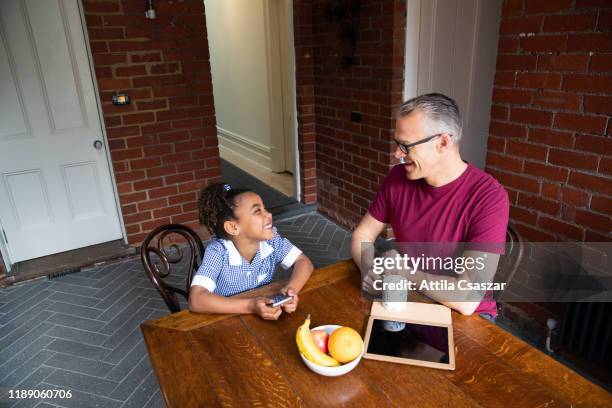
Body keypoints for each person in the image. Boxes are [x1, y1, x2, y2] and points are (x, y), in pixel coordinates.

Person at [350, 93, 509, 317]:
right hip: (410, 295)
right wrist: (368, 270)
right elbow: (363, 233)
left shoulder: (489, 196)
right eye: (397, 144)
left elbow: (467, 299)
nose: (397, 155)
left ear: (443, 142)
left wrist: (404, 273)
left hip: (467, 317)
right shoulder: (398, 177)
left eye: (406, 146)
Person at [189, 183, 314, 320]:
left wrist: (291, 290)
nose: (269, 214)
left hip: (263, 314)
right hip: (226, 319)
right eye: (257, 211)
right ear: (233, 228)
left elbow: (303, 262)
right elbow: (196, 300)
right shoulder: (218, 252)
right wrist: (250, 306)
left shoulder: (271, 241)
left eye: (264, 208)